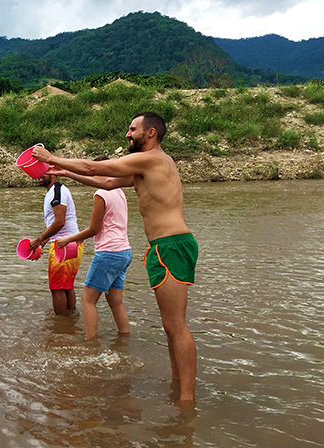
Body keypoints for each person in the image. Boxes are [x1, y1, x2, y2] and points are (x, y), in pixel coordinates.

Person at [32, 111, 199, 403]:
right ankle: (177, 388)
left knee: (176, 326)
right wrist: (68, 174)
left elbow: (93, 167)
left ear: (150, 133)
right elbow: (108, 182)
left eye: (133, 129)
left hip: (171, 245)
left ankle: (187, 401)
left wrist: (51, 158)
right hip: (163, 247)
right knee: (170, 326)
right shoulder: (148, 166)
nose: (127, 134)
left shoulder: (151, 159)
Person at [54, 156, 132, 341]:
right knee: (115, 301)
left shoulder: (101, 193)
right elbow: (109, 224)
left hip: (109, 253)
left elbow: (93, 229)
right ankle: (124, 340)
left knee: (88, 299)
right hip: (124, 252)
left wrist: (68, 240)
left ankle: (91, 344)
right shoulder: (119, 191)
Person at [26, 169, 82, 315]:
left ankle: (59, 324)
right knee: (67, 286)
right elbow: (54, 224)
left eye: (44, 172)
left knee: (57, 288)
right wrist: (42, 243)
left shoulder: (58, 191)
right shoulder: (52, 192)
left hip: (63, 244)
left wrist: (39, 239)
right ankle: (70, 319)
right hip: (70, 243)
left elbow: (59, 222)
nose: (39, 176)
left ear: (53, 174)